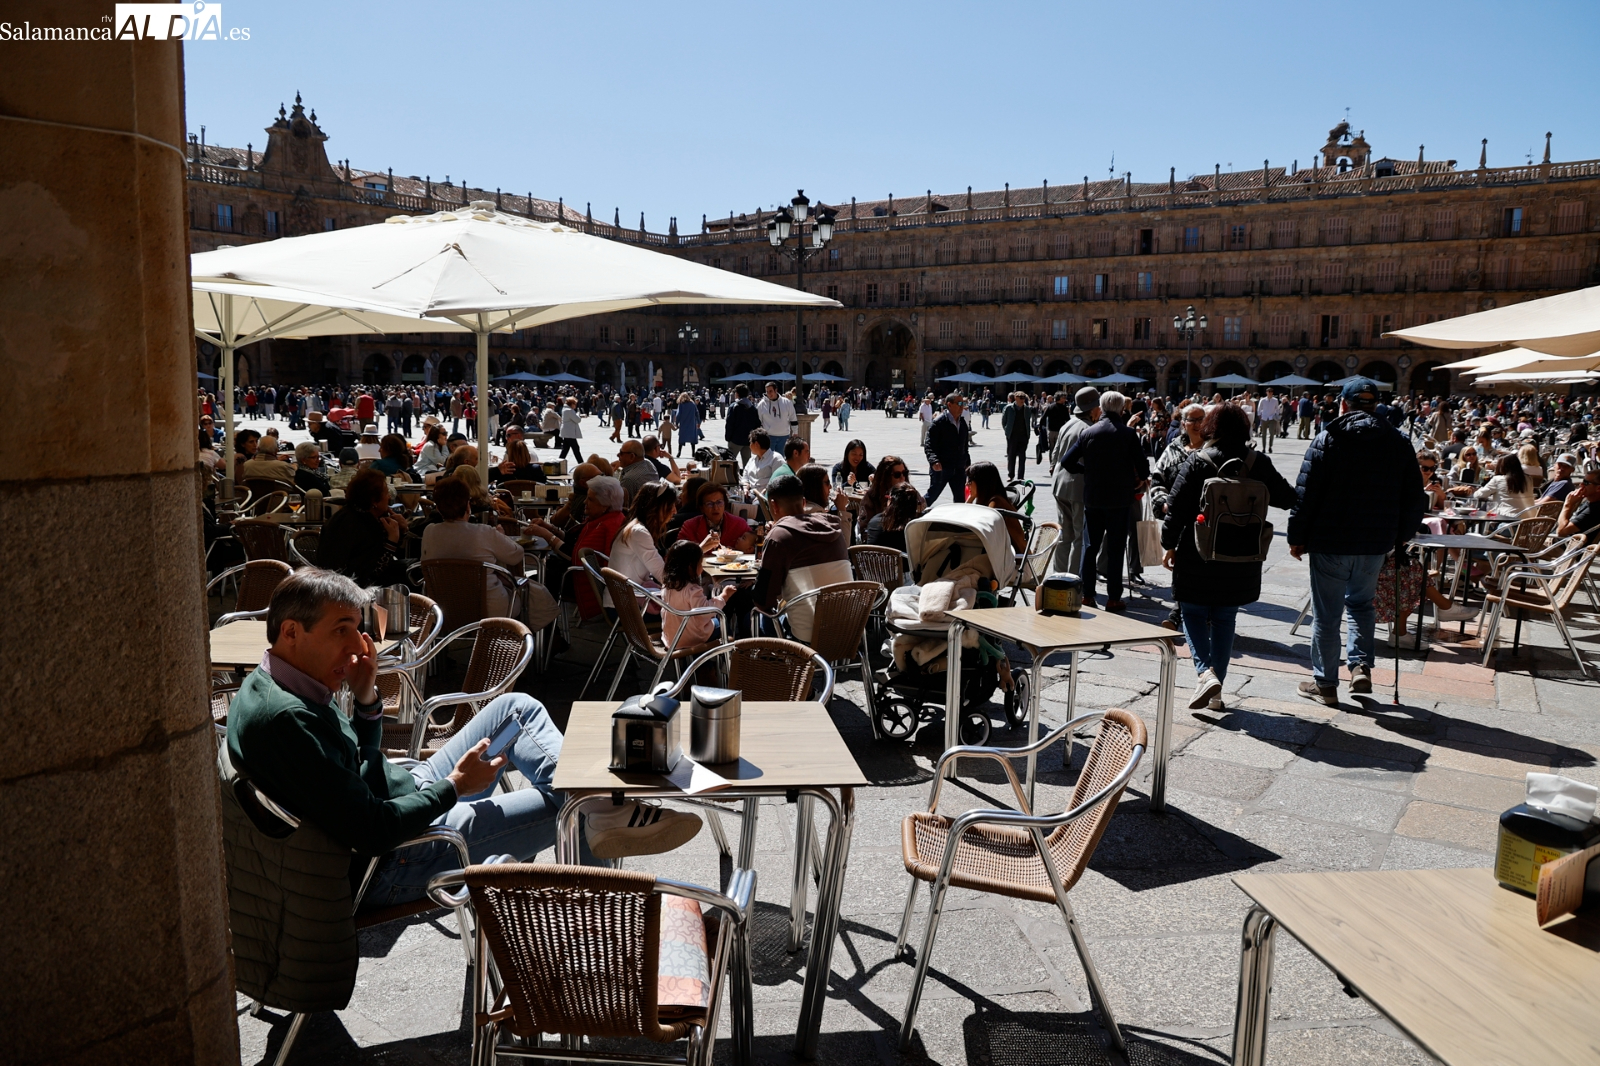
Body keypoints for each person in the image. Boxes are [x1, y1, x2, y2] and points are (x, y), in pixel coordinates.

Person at [225, 569, 697, 911]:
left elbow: (358, 769)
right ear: (292, 632)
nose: (357, 646)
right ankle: (599, 887)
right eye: (341, 630)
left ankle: (597, 811)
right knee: (568, 808)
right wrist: (454, 786)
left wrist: (367, 700)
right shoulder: (289, 719)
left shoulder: (274, 684)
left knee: (517, 709)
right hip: (400, 854)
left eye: (356, 628)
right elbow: (372, 832)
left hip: (405, 790)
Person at [1287, 378, 1427, 706]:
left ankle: (1325, 683)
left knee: (1327, 614)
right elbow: (1414, 496)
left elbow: (1306, 494)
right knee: (1362, 605)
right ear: (1376, 405)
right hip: (1375, 542)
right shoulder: (1398, 441)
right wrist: (1401, 536)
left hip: (1330, 540)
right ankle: (1360, 666)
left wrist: (1296, 537)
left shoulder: (1328, 438)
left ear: (1343, 404)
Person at [1160, 405, 1297, 711]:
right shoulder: (1257, 462)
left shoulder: (1198, 461)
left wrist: (1168, 545)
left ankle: (1205, 673)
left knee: (1193, 612)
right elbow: (1288, 498)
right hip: (1242, 554)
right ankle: (1216, 692)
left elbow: (1176, 510)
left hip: (1198, 551)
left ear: (1210, 427)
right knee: (1224, 618)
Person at [1061, 391, 1149, 612]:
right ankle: (1113, 598)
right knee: (1116, 548)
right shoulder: (1128, 434)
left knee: (1090, 547)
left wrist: (1086, 470)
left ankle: (1087, 595)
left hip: (1094, 498)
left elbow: (1067, 461)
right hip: (1120, 499)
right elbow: (1143, 466)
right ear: (1121, 409)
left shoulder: (1089, 432)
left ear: (1101, 407)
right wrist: (1137, 478)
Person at [751, 475, 851, 642]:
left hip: (806, 638)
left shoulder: (780, 536)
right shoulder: (834, 527)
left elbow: (764, 600)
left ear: (773, 505)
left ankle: (774, 658)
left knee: (761, 614)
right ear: (803, 502)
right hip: (848, 632)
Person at [420, 476, 530, 618]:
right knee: (527, 594)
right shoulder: (484, 533)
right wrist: (502, 537)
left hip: (445, 610)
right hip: (490, 611)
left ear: (439, 508)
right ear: (468, 505)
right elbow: (516, 556)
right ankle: (528, 631)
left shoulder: (429, 532)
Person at [607, 481, 694, 611]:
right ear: (656, 507)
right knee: (696, 613)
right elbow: (662, 574)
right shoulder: (639, 533)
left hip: (625, 600)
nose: (675, 511)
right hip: (625, 608)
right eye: (670, 506)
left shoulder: (635, 527)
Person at [317, 468, 411, 588]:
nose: (389, 497)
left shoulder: (354, 513)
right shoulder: (360, 524)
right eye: (386, 493)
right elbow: (373, 573)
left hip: (332, 582)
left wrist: (402, 530)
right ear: (374, 500)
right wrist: (392, 540)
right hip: (346, 588)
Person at [1049, 387, 1101, 577]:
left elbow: (1055, 454)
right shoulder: (1089, 429)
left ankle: (1058, 575)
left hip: (1059, 484)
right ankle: (1073, 579)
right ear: (1093, 409)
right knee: (1079, 535)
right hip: (1078, 487)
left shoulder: (1068, 424)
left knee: (1064, 534)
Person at [660, 540, 736, 650]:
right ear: (690, 567)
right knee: (722, 623)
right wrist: (724, 596)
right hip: (691, 637)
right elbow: (706, 612)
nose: (702, 567)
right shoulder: (692, 590)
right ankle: (727, 656)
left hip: (671, 637)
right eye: (700, 563)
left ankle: (699, 660)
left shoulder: (667, 585)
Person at [966, 461, 1027, 552]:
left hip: (1014, 556)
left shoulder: (996, 503)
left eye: (970, 480)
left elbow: (982, 532)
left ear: (981, 482)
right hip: (1003, 553)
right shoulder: (992, 498)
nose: (967, 484)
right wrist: (971, 498)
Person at [923, 392, 972, 506]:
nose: (962, 406)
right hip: (942, 467)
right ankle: (915, 511)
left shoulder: (962, 423)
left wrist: (967, 462)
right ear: (949, 404)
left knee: (960, 499)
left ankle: (958, 517)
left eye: (963, 403)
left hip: (959, 467)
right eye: (959, 403)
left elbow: (964, 446)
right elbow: (929, 444)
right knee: (932, 495)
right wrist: (934, 460)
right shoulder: (939, 422)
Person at [680, 482, 757, 551]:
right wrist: (701, 548)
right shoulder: (689, 527)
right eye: (709, 504)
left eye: (719, 502)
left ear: (725, 504)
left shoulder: (739, 524)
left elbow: (755, 547)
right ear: (701, 508)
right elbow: (678, 556)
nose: (715, 508)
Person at [857, 455, 910, 537]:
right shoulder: (871, 497)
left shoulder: (909, 492)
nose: (902, 478)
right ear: (886, 477)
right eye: (897, 475)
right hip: (881, 540)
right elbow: (865, 529)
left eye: (904, 473)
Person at [1472, 453, 1537, 515]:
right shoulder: (1529, 479)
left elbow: (1479, 495)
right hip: (1530, 518)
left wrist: (1476, 490)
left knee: (1480, 511)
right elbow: (1512, 498)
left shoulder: (1498, 479)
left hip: (1507, 518)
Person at [865, 483, 922, 553]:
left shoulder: (874, 522)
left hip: (874, 559)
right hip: (904, 560)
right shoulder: (916, 527)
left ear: (890, 500)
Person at [1555, 468, 1600, 537]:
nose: (1581, 484)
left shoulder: (1594, 510)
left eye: (1586, 482)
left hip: (1563, 542)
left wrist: (1567, 505)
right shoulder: (1591, 503)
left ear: (1598, 488)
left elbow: (1561, 532)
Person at [725, 384, 761, 465]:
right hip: (748, 440)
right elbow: (757, 424)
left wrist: (728, 437)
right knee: (747, 463)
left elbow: (729, 423)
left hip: (735, 440)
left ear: (737, 394)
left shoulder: (734, 406)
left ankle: (733, 473)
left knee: (730, 462)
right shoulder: (752, 407)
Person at [757, 381, 797, 456]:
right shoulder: (761, 404)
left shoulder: (787, 402)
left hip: (784, 436)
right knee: (768, 459)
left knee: (781, 459)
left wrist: (795, 432)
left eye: (771, 391)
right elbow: (758, 421)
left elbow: (793, 417)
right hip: (769, 437)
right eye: (767, 391)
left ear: (776, 390)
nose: (769, 393)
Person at [614, 439, 656, 505]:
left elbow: (620, 505)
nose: (617, 455)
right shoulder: (649, 464)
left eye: (621, 453)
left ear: (632, 456)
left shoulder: (629, 479)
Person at [1001, 392, 1032, 480]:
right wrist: (1007, 431)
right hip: (1012, 436)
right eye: (1021, 398)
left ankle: (1021, 476)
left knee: (1022, 456)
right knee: (1011, 456)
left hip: (1023, 436)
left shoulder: (1027, 409)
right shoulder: (1009, 408)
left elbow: (1028, 420)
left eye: (1024, 398)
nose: (1022, 400)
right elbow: (1004, 421)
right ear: (1015, 398)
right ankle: (1011, 475)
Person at [554, 397, 583, 464]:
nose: (575, 406)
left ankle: (559, 462)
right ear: (571, 404)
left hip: (567, 431)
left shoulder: (565, 409)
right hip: (569, 432)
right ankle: (581, 463)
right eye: (575, 404)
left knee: (565, 449)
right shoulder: (569, 411)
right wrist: (578, 414)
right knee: (575, 448)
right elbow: (577, 420)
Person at [674, 392, 701, 456]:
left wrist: (676, 422)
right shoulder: (693, 404)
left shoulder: (681, 404)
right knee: (692, 438)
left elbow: (678, 414)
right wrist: (698, 422)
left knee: (682, 438)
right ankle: (693, 452)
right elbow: (697, 413)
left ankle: (679, 452)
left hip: (683, 423)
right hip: (692, 423)